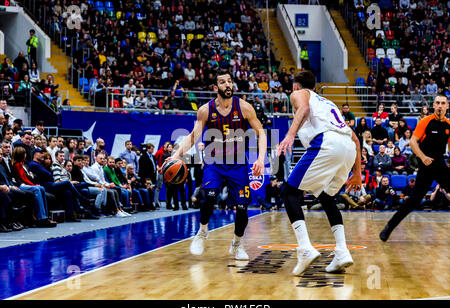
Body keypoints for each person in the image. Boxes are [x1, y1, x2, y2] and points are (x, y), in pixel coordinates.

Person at [165, 70, 266, 260]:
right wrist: (177, 155)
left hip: (238, 165)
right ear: (215, 87)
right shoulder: (205, 110)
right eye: (222, 82)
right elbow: (193, 136)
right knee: (210, 197)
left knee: (243, 208)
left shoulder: (244, 107)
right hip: (214, 164)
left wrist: (260, 159)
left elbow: (261, 133)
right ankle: (203, 231)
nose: (228, 85)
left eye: (229, 81)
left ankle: (237, 243)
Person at [276, 70, 362, 275]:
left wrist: (289, 135)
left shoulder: (298, 94)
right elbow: (356, 139)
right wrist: (357, 172)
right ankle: (342, 251)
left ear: (296, 87)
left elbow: (303, 108)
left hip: (326, 143)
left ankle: (305, 249)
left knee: (289, 193)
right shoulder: (328, 104)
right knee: (326, 197)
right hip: (347, 147)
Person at [380, 94, 450, 241]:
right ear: (434, 106)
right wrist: (423, 157)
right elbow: (413, 142)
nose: (439, 105)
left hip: (440, 164)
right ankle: (389, 227)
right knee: (414, 200)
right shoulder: (425, 122)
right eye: (437, 103)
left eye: (443, 103)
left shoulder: (448, 125)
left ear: (447, 106)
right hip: (425, 166)